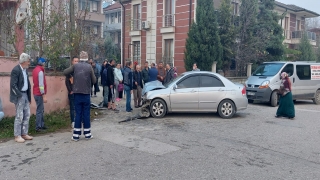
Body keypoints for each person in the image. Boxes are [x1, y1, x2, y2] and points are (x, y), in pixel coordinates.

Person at [64, 51, 96, 141]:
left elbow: (65, 72)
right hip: (86, 93)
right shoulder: (89, 67)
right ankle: (87, 134)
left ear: (80, 58)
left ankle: (76, 135)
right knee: (86, 114)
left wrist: (71, 76)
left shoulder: (75, 66)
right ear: (86, 58)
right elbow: (94, 80)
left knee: (78, 114)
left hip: (77, 93)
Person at [10, 53, 33, 143]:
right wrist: (19, 96)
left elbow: (28, 84)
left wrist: (29, 98)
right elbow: (13, 85)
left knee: (27, 115)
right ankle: (17, 135)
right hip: (19, 95)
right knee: (19, 116)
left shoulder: (25, 70)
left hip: (25, 95)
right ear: (24, 61)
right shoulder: (16, 70)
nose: (29, 63)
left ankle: (24, 133)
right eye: (28, 61)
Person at [32, 57, 48, 132]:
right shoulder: (40, 72)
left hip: (35, 92)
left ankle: (41, 124)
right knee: (39, 110)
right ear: (43, 64)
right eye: (45, 63)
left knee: (41, 109)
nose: (45, 65)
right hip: (39, 93)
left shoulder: (35, 70)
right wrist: (43, 94)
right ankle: (38, 127)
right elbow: (41, 84)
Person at [65, 56, 79, 128]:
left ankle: (78, 120)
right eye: (75, 61)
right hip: (72, 92)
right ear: (72, 62)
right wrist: (70, 90)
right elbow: (67, 82)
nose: (76, 62)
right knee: (72, 107)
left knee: (78, 107)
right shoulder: (69, 71)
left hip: (78, 92)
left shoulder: (79, 70)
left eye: (77, 61)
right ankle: (73, 121)